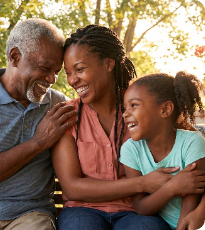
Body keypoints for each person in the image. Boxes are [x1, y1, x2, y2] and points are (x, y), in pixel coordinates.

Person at [51, 24, 205, 230]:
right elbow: (72, 187)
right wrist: (142, 183)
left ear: (108, 64)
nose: (72, 80)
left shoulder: (144, 108)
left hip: (136, 212)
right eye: (68, 72)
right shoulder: (68, 116)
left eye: (80, 69)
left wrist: (200, 211)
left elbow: (193, 153)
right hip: (82, 210)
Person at [0, 18, 77, 230]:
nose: (51, 79)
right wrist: (38, 142)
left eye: (57, 71)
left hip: (31, 215)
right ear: (15, 57)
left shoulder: (58, 105)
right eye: (45, 67)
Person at [120, 72, 205, 230]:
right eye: (125, 108)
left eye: (134, 105)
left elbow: (189, 211)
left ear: (165, 109)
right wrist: (171, 187)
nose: (125, 113)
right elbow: (141, 207)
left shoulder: (191, 142)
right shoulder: (130, 150)